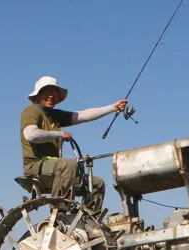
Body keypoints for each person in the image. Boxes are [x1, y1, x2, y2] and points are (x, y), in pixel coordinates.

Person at [20, 76, 126, 211]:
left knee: (96, 183)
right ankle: (59, 214)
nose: (51, 95)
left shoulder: (54, 115)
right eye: (47, 91)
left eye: (54, 92)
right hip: (35, 167)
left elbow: (83, 115)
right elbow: (31, 134)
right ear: (38, 95)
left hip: (55, 169)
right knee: (69, 164)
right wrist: (59, 134)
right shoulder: (32, 110)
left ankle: (88, 221)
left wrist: (112, 107)